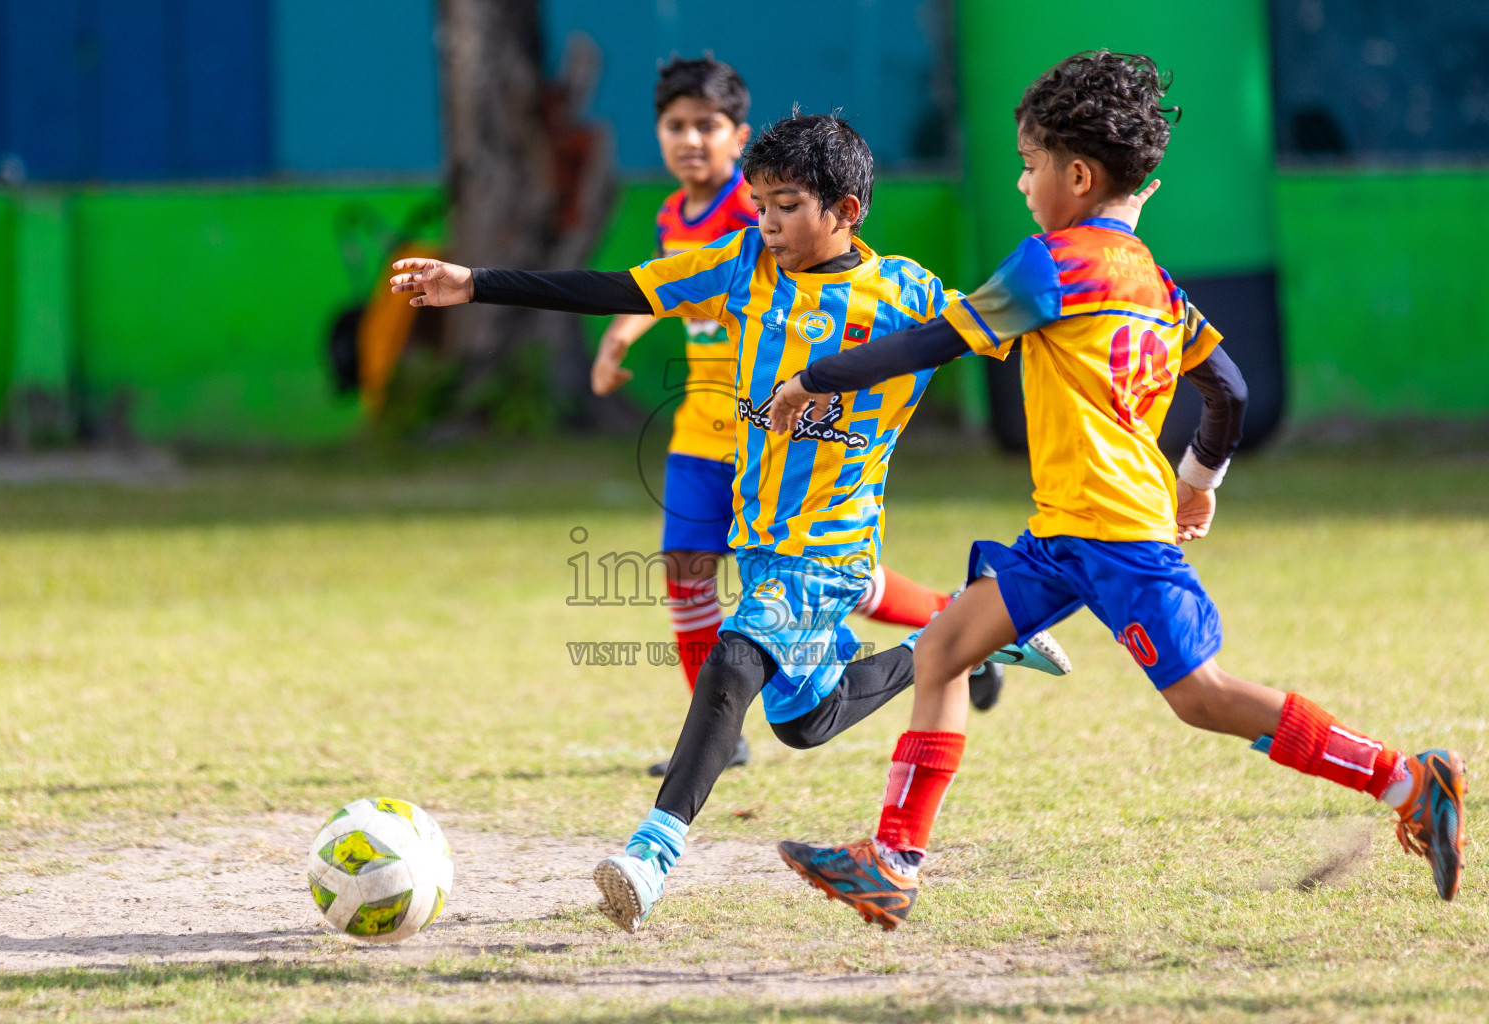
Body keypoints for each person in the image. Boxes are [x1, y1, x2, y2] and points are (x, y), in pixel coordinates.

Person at [767, 51, 1467, 929]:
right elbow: (1231, 390)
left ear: (1078, 174)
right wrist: (1200, 480)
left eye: (1028, 165)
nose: (1022, 184)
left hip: (1118, 539)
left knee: (1204, 697)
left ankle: (1407, 779)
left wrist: (815, 378)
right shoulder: (1160, 287)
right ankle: (895, 862)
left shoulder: (1048, 265)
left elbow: (934, 342)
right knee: (944, 648)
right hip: (1065, 536)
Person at [390, 111, 1075, 933]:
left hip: (827, 548)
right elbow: (629, 287)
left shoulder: (907, 294)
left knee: (733, 664)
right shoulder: (745, 262)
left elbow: (1020, 338)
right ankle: (975, 633)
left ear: (847, 209)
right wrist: (477, 282)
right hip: (762, 547)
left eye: (786, 205)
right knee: (805, 722)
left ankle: (651, 856)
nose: (767, 222)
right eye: (760, 203)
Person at [591, 59, 1009, 779]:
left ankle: (960, 621)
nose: (690, 140)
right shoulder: (673, 216)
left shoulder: (750, 215)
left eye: (707, 126)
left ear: (738, 136)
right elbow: (658, 289)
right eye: (675, 125)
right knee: (689, 570)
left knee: (817, 572)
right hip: (704, 423)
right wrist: (620, 334)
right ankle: (728, 729)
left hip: (776, 426)